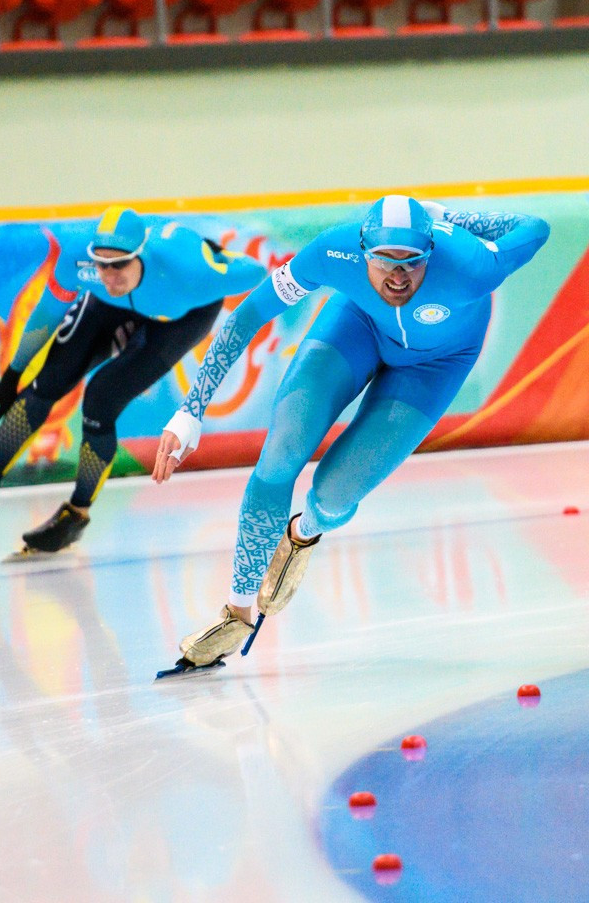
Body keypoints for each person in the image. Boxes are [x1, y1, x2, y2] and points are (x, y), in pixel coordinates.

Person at [151, 195, 550, 676]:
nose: (398, 278)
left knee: (335, 494)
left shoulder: (471, 264)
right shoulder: (333, 249)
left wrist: (453, 218)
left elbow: (535, 226)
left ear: (431, 251)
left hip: (436, 363)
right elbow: (247, 316)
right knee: (281, 452)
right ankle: (236, 612)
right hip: (355, 327)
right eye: (385, 263)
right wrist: (190, 411)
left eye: (412, 264)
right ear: (363, 250)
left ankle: (303, 534)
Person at [0, 207, 266, 554]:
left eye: (119, 265)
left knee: (101, 399)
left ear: (140, 255)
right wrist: (13, 374)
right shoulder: (79, 259)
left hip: (179, 316)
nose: (110, 274)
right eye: (102, 265)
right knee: (47, 381)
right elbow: (46, 316)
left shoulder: (189, 270)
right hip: (109, 305)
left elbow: (257, 271)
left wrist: (215, 254)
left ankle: (76, 515)